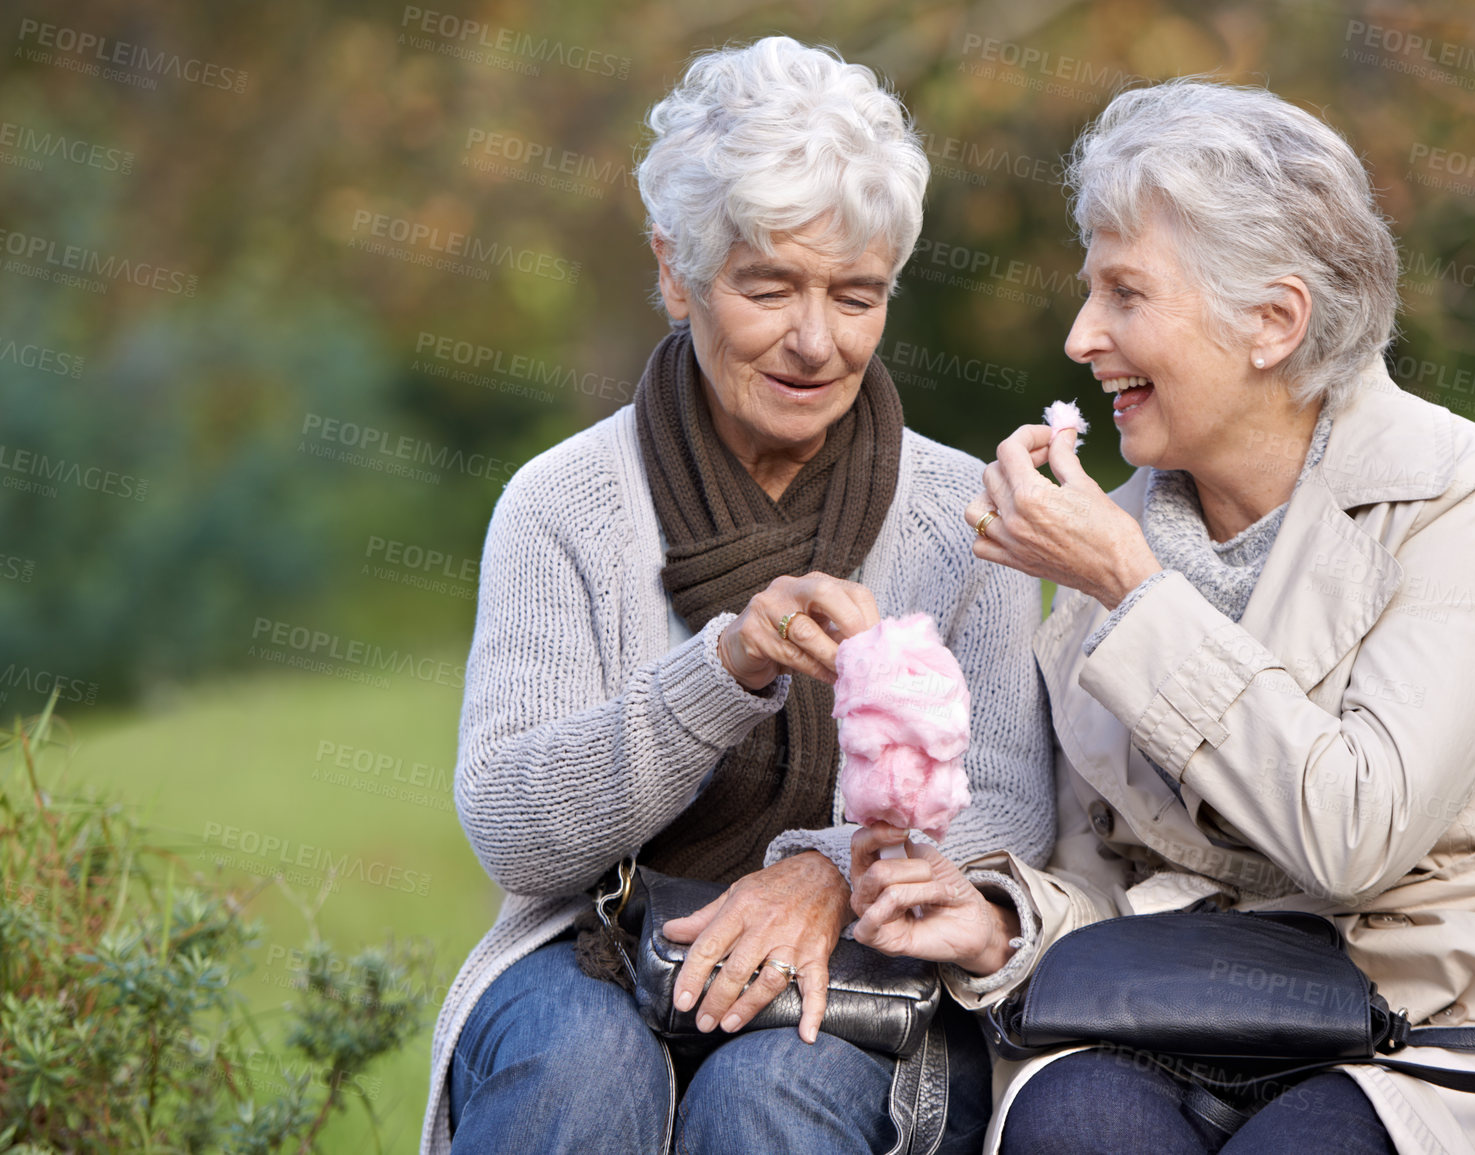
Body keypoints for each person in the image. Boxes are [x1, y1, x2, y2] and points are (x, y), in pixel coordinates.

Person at [848, 78, 1475, 1155]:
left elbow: (1355, 834)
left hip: (1443, 1015)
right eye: (1091, 292)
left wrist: (1137, 592)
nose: (1083, 336)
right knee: (1070, 1123)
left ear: (1274, 322)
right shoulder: (1108, 541)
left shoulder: (1472, 502)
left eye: (1127, 296)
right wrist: (1005, 921)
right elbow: (1111, 880)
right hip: (1185, 1006)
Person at [417, 37, 1054, 1155]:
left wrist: (824, 868)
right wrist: (720, 673)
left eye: (856, 296)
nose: (817, 341)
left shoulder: (968, 519)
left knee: (771, 1091)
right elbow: (514, 835)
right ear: (676, 270)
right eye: (769, 287)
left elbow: (1012, 809)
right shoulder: (561, 503)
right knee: (583, 1068)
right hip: (593, 943)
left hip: (868, 965)